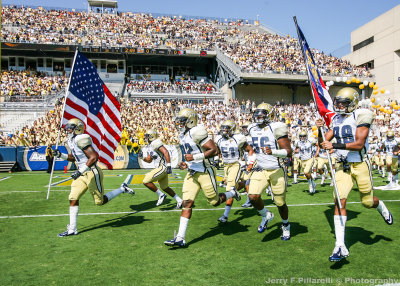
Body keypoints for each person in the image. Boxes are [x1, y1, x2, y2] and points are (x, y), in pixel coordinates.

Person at [316, 87, 393, 262]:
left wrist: (334, 146)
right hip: (343, 166)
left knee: (367, 202)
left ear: (353, 103)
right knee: (339, 200)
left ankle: (380, 206)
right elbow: (323, 142)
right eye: (339, 102)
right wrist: (319, 131)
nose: (340, 106)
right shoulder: (335, 119)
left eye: (344, 103)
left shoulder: (361, 115)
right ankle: (340, 245)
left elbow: (358, 143)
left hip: (360, 164)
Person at [164, 108, 241, 247]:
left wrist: (194, 157)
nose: (179, 124)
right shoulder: (183, 135)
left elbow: (214, 150)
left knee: (215, 202)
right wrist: (186, 163)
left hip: (205, 171)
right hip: (192, 172)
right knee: (187, 203)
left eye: (182, 122)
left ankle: (232, 193)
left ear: (190, 121)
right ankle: (180, 237)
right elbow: (192, 153)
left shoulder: (196, 131)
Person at [54, 118, 135, 237]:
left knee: (99, 202)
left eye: (70, 127)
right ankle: (72, 229)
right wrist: (61, 155)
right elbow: (76, 157)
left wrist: (80, 171)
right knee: (73, 197)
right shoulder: (72, 140)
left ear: (78, 128)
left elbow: (93, 157)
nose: (68, 130)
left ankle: (122, 189)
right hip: (81, 173)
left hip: (92, 172)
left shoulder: (82, 139)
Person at [247, 103, 292, 241]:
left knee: (280, 203)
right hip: (260, 168)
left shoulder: (276, 127)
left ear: (270, 115)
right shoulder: (251, 128)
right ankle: (266, 214)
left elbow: (288, 152)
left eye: (262, 114)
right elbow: (252, 147)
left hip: (276, 169)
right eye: (257, 114)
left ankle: (286, 225)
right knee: (252, 197)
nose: (259, 117)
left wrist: (274, 152)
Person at [215, 120, 255, 222]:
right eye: (223, 128)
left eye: (226, 129)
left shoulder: (238, 139)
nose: (224, 131)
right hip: (226, 166)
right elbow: (217, 151)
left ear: (232, 129)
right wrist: (215, 159)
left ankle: (225, 216)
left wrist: (250, 163)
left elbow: (250, 150)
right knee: (233, 187)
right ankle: (242, 187)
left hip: (235, 165)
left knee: (229, 189)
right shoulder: (219, 139)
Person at [140, 128, 183, 208]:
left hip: (162, 167)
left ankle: (161, 195)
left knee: (146, 181)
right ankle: (179, 200)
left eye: (147, 136)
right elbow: (149, 160)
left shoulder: (156, 142)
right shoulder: (150, 146)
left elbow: (165, 152)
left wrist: (169, 165)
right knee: (165, 187)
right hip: (161, 167)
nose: (146, 138)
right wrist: (142, 157)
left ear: (152, 136)